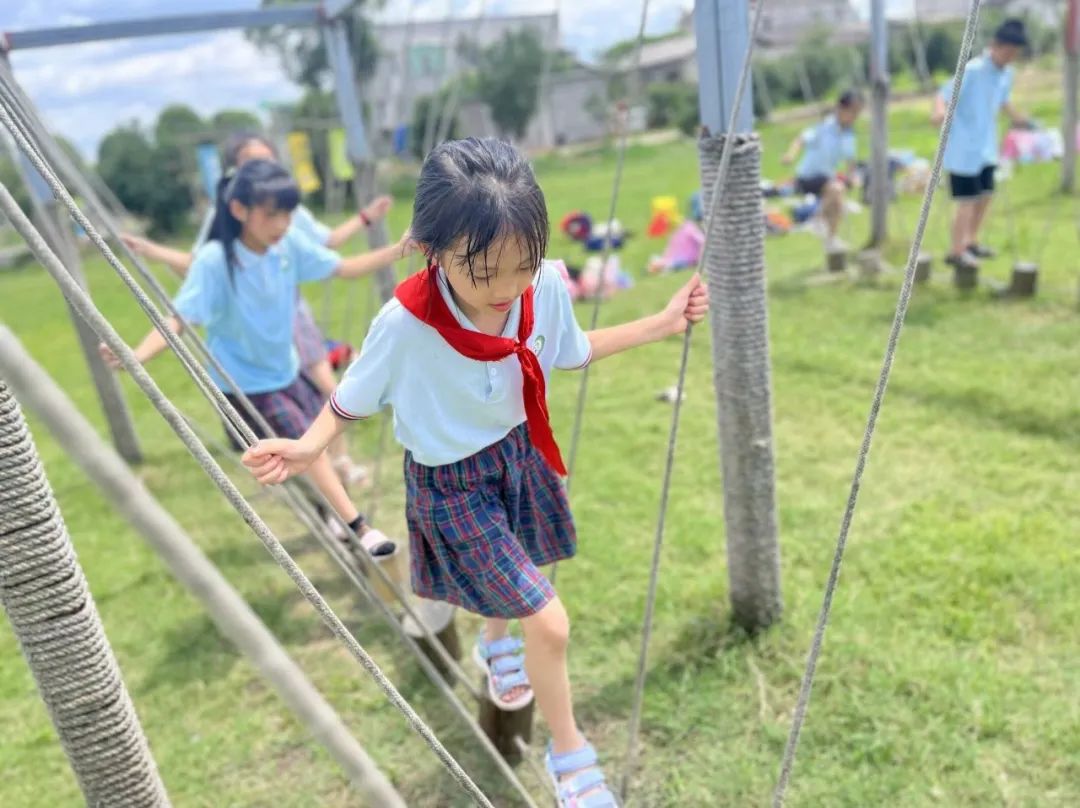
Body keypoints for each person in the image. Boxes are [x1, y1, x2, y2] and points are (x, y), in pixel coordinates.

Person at [241, 138, 709, 807]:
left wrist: (662, 323)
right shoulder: (404, 325)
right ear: (432, 249)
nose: (505, 288)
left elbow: (570, 351)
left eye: (522, 263)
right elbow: (350, 397)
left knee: (514, 584)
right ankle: (571, 758)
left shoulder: (542, 285)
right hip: (451, 483)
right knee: (548, 621)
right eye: (483, 270)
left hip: (516, 459)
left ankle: (496, 647)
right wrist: (308, 447)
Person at [102, 158, 414, 561]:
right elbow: (178, 318)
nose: (282, 224)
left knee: (323, 437)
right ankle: (360, 526)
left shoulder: (286, 248)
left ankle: (336, 515)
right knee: (307, 442)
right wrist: (136, 355)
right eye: (272, 215)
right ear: (239, 211)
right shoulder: (217, 261)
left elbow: (344, 267)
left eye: (287, 214)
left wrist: (398, 250)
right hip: (246, 386)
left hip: (286, 370)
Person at [121, 133, 388, 486]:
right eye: (251, 161)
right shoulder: (225, 227)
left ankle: (339, 467)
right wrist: (155, 254)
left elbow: (328, 248)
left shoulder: (287, 215)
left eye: (266, 159)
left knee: (324, 392)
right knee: (296, 415)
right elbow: (198, 267)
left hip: (290, 314)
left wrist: (368, 222)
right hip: (250, 337)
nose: (280, 223)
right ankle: (335, 495)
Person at [932, 18, 1030, 274]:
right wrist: (939, 112)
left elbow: (1003, 100)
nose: (1010, 57)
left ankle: (971, 242)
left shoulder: (1007, 74)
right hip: (964, 148)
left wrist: (1017, 117)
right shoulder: (973, 70)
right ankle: (956, 251)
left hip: (986, 146)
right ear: (995, 46)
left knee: (986, 196)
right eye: (1008, 51)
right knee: (967, 200)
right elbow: (943, 94)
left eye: (1015, 54)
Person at [782, 89, 864, 252]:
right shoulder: (825, 127)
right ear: (841, 109)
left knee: (838, 201)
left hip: (825, 177)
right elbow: (801, 140)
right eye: (852, 111)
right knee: (837, 189)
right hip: (807, 177)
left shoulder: (848, 134)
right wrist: (790, 155)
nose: (855, 116)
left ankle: (829, 238)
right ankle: (817, 221)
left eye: (857, 112)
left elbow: (850, 159)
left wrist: (852, 176)